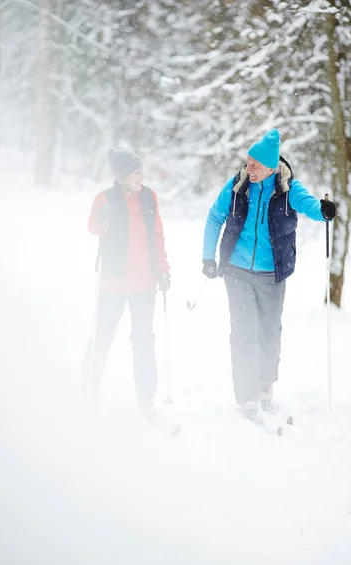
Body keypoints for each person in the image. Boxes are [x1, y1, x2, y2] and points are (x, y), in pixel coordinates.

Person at [202, 129, 336, 417]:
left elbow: (309, 205)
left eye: (255, 165)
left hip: (271, 274)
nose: (248, 168)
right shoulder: (238, 185)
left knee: (268, 332)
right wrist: (207, 257)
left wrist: (323, 210)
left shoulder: (288, 189)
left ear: (271, 168)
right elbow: (215, 217)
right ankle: (246, 397)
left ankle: (264, 386)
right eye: (248, 162)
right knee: (243, 332)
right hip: (237, 271)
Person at [87, 147, 170, 419]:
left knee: (144, 341)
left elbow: (157, 234)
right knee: (102, 338)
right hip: (113, 282)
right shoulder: (105, 198)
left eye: (141, 171)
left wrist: (163, 268)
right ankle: (87, 393)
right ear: (122, 175)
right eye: (136, 172)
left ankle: (146, 401)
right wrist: (102, 218)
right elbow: (93, 228)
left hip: (144, 283)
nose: (141, 176)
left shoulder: (149, 197)